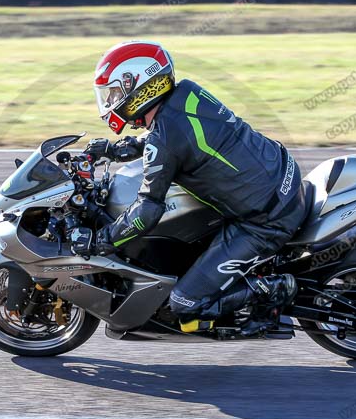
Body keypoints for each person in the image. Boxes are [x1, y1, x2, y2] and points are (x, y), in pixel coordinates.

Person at [84, 41, 308, 334]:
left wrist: (105, 240)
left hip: (265, 220)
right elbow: (181, 137)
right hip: (280, 175)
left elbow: (147, 211)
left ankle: (271, 288)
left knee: (183, 302)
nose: (111, 100)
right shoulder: (186, 94)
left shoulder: (164, 140)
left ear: (137, 86)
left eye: (114, 92)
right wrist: (122, 149)